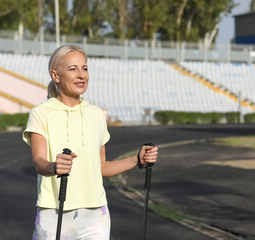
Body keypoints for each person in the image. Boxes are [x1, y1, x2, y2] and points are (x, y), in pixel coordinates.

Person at [22, 45, 158, 240]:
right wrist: (54, 166)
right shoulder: (41, 114)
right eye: (72, 69)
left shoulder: (96, 114)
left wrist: (138, 159)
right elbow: (39, 162)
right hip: (54, 214)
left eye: (84, 68)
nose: (81, 74)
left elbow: (102, 167)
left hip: (96, 216)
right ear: (56, 75)